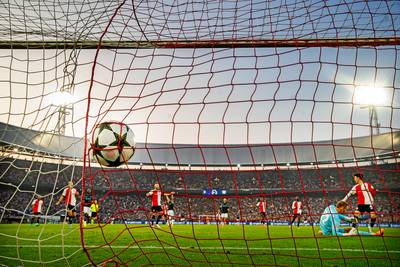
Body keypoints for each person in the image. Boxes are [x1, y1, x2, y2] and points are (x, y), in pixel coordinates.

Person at [319, 200, 383, 236]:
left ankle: (323, 231)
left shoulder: (331, 207)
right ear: (341, 207)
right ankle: (375, 234)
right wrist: (349, 234)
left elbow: (344, 217)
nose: (345, 211)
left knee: (348, 229)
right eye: (344, 209)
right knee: (354, 232)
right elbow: (335, 234)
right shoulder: (335, 217)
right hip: (329, 232)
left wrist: (354, 220)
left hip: (324, 227)